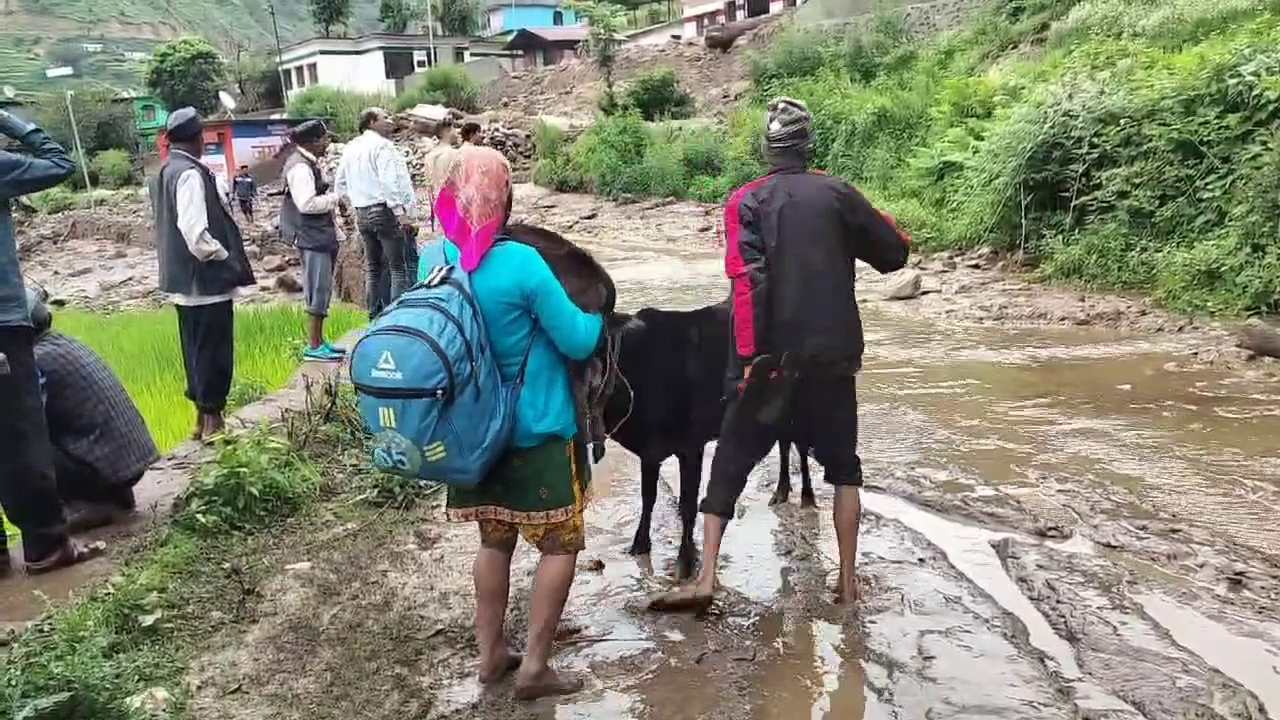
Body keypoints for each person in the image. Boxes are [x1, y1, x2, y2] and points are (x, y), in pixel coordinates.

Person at [651, 98, 911, 611]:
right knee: (844, 469)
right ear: (808, 145)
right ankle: (847, 585)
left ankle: (705, 579)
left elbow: (748, 282)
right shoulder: (838, 194)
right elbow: (894, 252)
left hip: (770, 361)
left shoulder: (745, 201)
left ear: (767, 150)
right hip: (833, 357)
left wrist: (748, 357)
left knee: (728, 464)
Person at [435, 146, 605, 700]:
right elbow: (578, 339)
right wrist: (598, 316)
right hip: (537, 430)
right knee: (559, 546)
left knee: (495, 538)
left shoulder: (433, 257)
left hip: (472, 434)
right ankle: (534, 666)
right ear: (503, 200)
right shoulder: (523, 264)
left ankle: (490, 656)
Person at [0, 105, 106, 574]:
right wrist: (9, 121)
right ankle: (46, 545)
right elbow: (59, 162)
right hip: (3, 324)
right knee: (22, 437)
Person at [151, 107, 256, 442]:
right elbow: (195, 231)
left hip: (182, 281)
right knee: (214, 350)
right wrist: (223, 257)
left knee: (194, 349)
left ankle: (200, 420)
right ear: (198, 139)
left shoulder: (166, 170)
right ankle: (214, 424)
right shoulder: (191, 174)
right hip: (205, 280)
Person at [29, 289, 158, 531]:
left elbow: (29, 424)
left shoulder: (35, 360)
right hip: (130, 463)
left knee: (19, 444)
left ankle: (81, 507)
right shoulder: (63, 342)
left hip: (104, 470)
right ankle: (113, 498)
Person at [334, 107, 416, 318]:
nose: (390, 121)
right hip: (384, 211)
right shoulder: (383, 146)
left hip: (362, 213)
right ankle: (398, 317)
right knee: (398, 268)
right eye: (384, 118)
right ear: (371, 122)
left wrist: (353, 206)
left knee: (373, 267)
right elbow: (388, 182)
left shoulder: (351, 147)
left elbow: (340, 184)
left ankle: (373, 315)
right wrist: (401, 213)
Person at [280, 120, 346, 362]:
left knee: (321, 288)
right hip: (312, 236)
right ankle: (315, 346)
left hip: (317, 234)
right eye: (325, 139)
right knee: (317, 288)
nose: (328, 143)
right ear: (314, 141)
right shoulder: (300, 168)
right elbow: (306, 204)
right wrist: (334, 199)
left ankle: (319, 341)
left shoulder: (305, 162)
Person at [422, 119, 459, 233]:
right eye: (454, 129)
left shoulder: (429, 156)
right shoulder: (454, 154)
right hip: (453, 205)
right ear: (447, 131)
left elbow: (429, 186)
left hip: (437, 204)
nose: (456, 133)